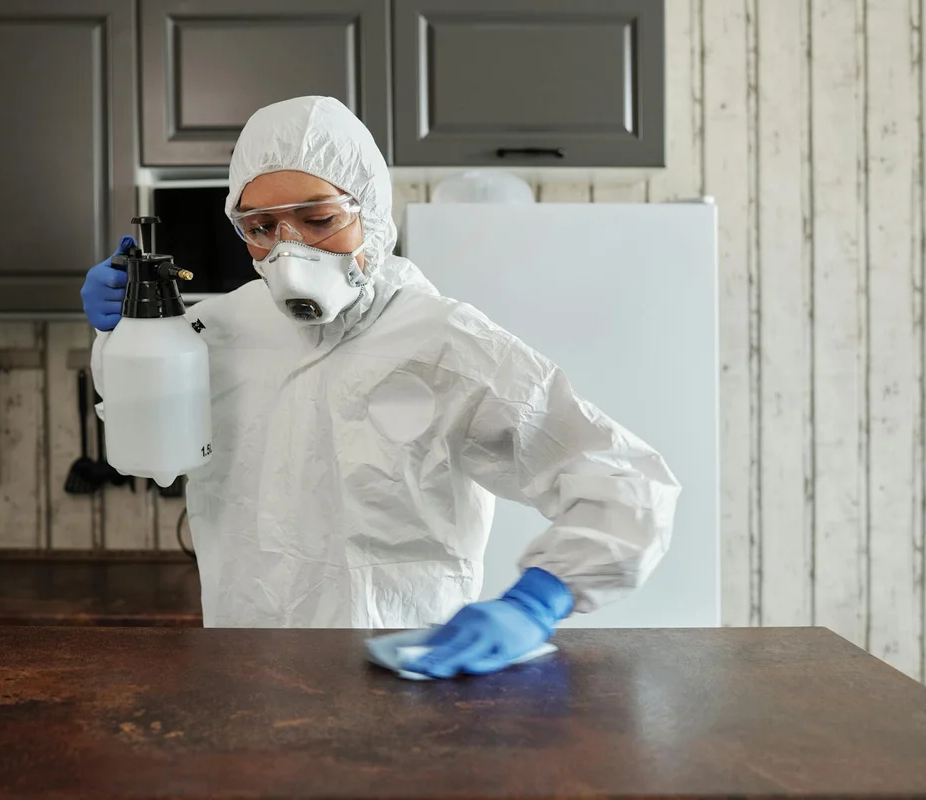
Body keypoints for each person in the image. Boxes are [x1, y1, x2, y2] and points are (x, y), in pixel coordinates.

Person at [84, 96, 680, 679]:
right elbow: (146, 427)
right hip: (250, 669)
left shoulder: (445, 344)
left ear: (368, 207)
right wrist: (126, 334)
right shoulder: (218, 330)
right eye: (261, 228)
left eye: (318, 220)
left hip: (407, 671)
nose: (288, 252)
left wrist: (537, 602)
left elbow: (627, 482)